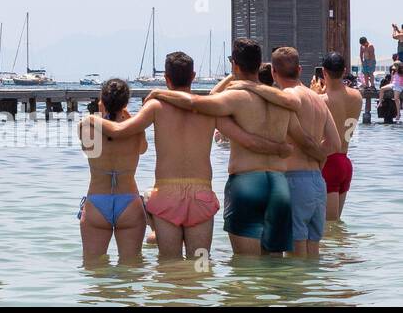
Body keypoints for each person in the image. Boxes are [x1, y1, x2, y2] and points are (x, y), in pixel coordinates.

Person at [99, 52, 290, 260]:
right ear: (193, 76)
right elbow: (247, 140)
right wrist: (278, 148)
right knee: (200, 261)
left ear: (166, 79)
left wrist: (92, 121)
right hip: (201, 196)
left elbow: (120, 131)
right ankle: (197, 290)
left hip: (166, 195)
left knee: (169, 262)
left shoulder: (155, 106)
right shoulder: (209, 111)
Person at [145, 38, 308, 256]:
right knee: (275, 264)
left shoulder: (233, 97)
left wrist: (158, 93)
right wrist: (281, 149)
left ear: (235, 66)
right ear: (261, 64)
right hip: (278, 184)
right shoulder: (282, 100)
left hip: (248, 182)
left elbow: (196, 103)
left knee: (246, 264)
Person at [269, 47, 338, 256]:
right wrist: (316, 157)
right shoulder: (318, 98)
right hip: (317, 181)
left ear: (273, 72)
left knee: (295, 254)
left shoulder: (287, 97)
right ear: (299, 69)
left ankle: (296, 290)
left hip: (293, 180)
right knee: (312, 252)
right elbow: (335, 143)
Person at [78, 79, 147, 261]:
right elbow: (142, 149)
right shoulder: (137, 130)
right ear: (125, 103)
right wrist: (129, 118)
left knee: (93, 267)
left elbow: (87, 148)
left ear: (102, 101)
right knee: (131, 267)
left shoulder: (86, 126)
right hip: (129, 202)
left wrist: (97, 117)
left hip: (97, 202)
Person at [317, 52, 362, 222]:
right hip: (345, 162)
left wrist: (317, 94)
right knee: (336, 225)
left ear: (323, 72)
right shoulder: (357, 96)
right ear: (344, 71)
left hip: (328, 163)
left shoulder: (320, 100)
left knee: (327, 228)